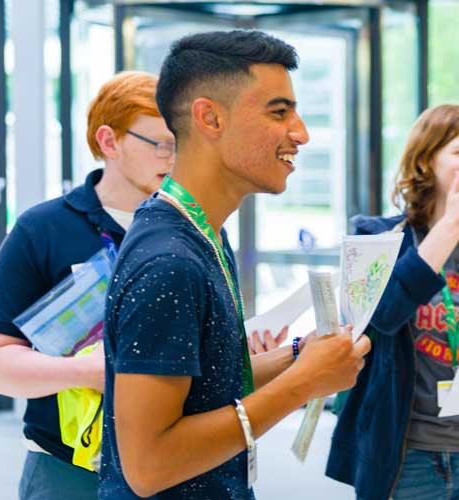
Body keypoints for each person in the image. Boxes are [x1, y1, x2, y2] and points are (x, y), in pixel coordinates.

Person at [99, 30, 370, 500]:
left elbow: (213, 380)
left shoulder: (203, 231)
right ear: (210, 118)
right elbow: (148, 466)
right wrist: (304, 382)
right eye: (279, 112)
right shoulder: (170, 261)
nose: (301, 132)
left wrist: (302, 354)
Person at [0, 71, 174, 500]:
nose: (173, 158)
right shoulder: (42, 229)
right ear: (109, 141)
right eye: (161, 144)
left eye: (182, 144)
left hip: (178, 460)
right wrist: (87, 371)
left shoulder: (195, 228)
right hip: (68, 471)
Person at [326, 104, 459, 500]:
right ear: (426, 160)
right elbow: (375, 320)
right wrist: (451, 225)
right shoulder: (376, 238)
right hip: (405, 454)